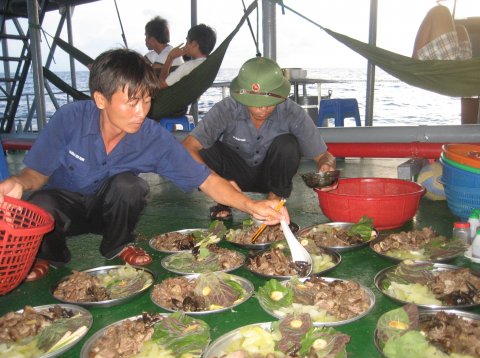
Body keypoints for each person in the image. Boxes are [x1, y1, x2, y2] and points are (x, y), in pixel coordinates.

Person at [0, 49, 286, 282]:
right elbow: (36, 172)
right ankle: (50, 256)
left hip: (108, 211)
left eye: (147, 101)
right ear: (101, 99)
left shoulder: (151, 137)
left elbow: (206, 179)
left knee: (131, 185)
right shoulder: (68, 119)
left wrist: (251, 206)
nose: (141, 113)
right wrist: (19, 183)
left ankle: (118, 245)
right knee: (40, 201)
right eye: (132, 103)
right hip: (65, 211)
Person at [182, 56, 336, 221]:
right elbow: (187, 146)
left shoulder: (293, 113)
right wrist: (214, 181)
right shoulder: (226, 109)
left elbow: (324, 155)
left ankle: (274, 201)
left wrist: (326, 166)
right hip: (232, 177)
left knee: (288, 144)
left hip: (270, 177)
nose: (262, 108)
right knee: (205, 148)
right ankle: (223, 201)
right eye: (255, 102)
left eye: (269, 102)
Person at [158, 23, 216, 89]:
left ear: (194, 44)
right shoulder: (209, 65)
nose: (185, 45)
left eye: (187, 41)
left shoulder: (188, 66)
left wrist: (170, 57)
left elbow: (162, 84)